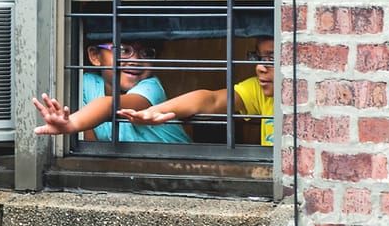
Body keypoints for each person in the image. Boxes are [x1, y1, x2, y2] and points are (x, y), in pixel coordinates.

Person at [119, 34, 275, 146]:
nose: (260, 67)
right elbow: (210, 100)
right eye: (259, 58)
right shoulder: (257, 89)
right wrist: (156, 110)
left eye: (272, 58)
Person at [31, 39, 193, 143]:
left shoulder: (151, 87)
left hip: (175, 167)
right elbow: (90, 144)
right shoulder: (86, 84)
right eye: (123, 50)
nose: (135, 61)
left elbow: (110, 105)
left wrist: (72, 124)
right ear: (95, 56)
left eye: (146, 53)